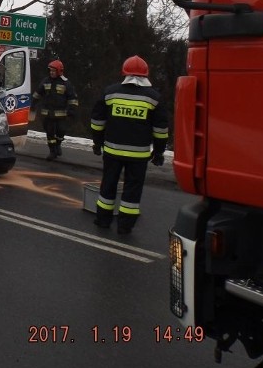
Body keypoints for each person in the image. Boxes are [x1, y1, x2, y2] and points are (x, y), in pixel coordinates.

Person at [90, 55, 169, 235]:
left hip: (112, 151)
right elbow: (161, 130)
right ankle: (125, 226)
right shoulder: (154, 98)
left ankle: (103, 220)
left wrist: (97, 142)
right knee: (132, 190)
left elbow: (97, 121)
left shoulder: (110, 92)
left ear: (124, 73)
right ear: (145, 75)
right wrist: (158, 152)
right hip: (138, 156)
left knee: (108, 184)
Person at [29, 60, 78, 160]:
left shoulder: (66, 83)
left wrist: (72, 110)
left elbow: (72, 98)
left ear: (59, 71)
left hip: (61, 114)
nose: (51, 72)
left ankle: (58, 144)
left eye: (53, 71)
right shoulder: (45, 81)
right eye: (50, 71)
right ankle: (52, 152)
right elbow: (37, 93)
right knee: (50, 133)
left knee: (61, 130)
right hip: (47, 113)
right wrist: (33, 104)